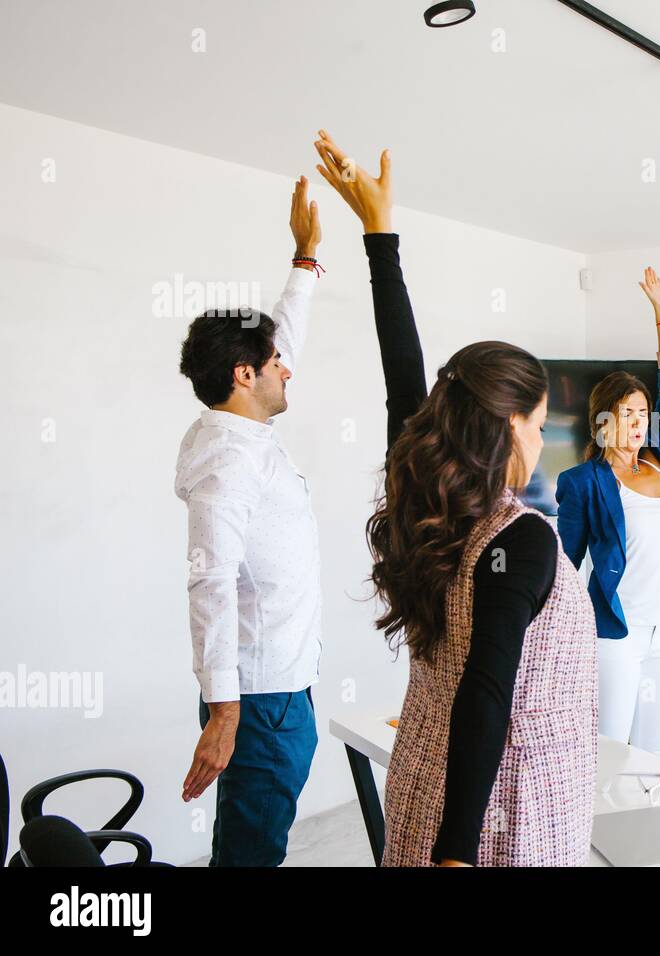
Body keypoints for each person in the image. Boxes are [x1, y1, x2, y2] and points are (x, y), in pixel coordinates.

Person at [312, 130, 598, 867]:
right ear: (509, 425)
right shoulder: (520, 537)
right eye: (537, 426)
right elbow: (486, 690)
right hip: (508, 816)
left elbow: (402, 377)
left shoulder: (427, 499)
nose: (540, 443)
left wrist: (380, 236)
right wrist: (458, 855)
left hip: (420, 782)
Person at [175, 177, 324, 866]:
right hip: (261, 703)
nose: (287, 371)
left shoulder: (243, 430)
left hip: (281, 691)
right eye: (273, 366)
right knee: (250, 854)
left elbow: (282, 339)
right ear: (244, 375)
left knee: (252, 842)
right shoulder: (228, 463)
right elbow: (207, 582)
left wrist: (305, 258)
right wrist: (225, 714)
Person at [555, 269, 660, 757]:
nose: (639, 422)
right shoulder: (583, 483)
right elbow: (564, 566)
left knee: (654, 747)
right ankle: (595, 835)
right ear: (603, 420)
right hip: (617, 632)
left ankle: (650, 829)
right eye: (627, 413)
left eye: (643, 413)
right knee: (612, 750)